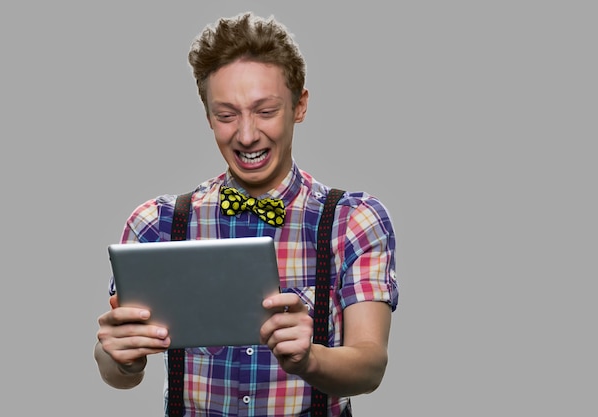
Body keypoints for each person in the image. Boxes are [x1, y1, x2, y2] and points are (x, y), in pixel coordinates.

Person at [94, 11, 399, 417]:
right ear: (208, 117)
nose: (247, 134)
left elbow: (370, 365)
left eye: (265, 111)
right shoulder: (157, 223)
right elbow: (119, 373)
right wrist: (119, 356)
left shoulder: (353, 220)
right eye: (226, 115)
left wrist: (309, 359)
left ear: (300, 105)